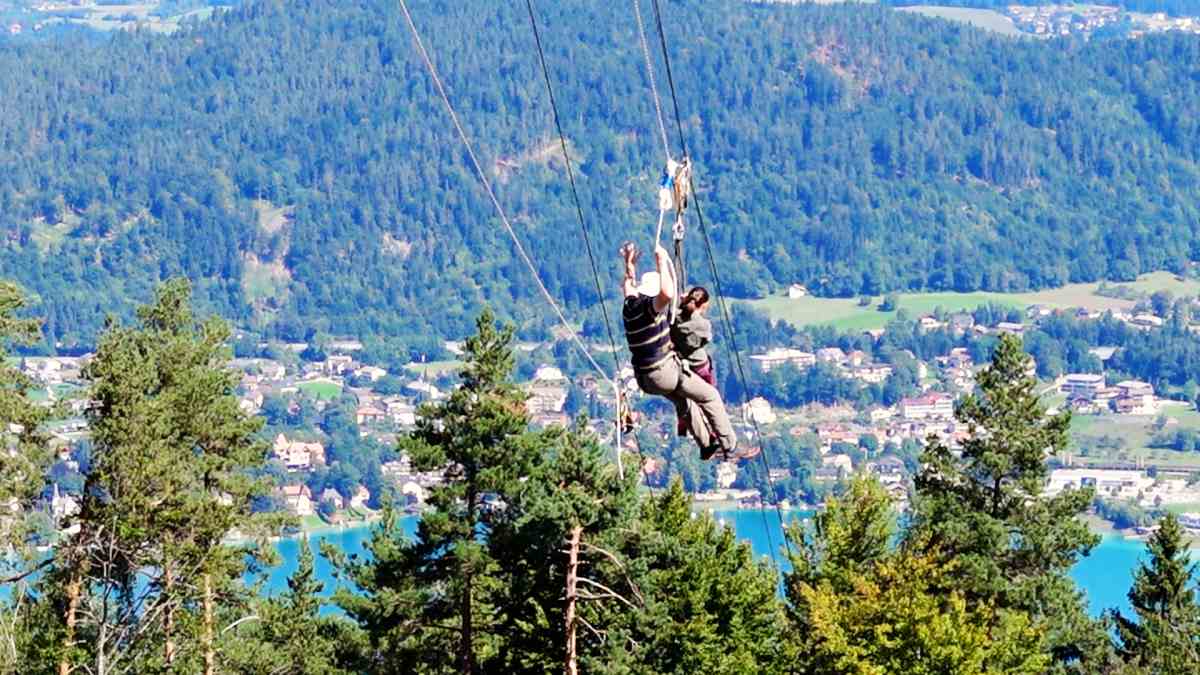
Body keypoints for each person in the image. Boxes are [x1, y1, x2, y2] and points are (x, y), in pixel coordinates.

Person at [620, 242, 736, 459]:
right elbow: (666, 292)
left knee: (684, 403)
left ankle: (706, 444)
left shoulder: (630, 307)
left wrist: (629, 264)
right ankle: (729, 444)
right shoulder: (650, 310)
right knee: (709, 396)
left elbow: (627, 286)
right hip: (664, 372)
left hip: (644, 377)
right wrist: (661, 261)